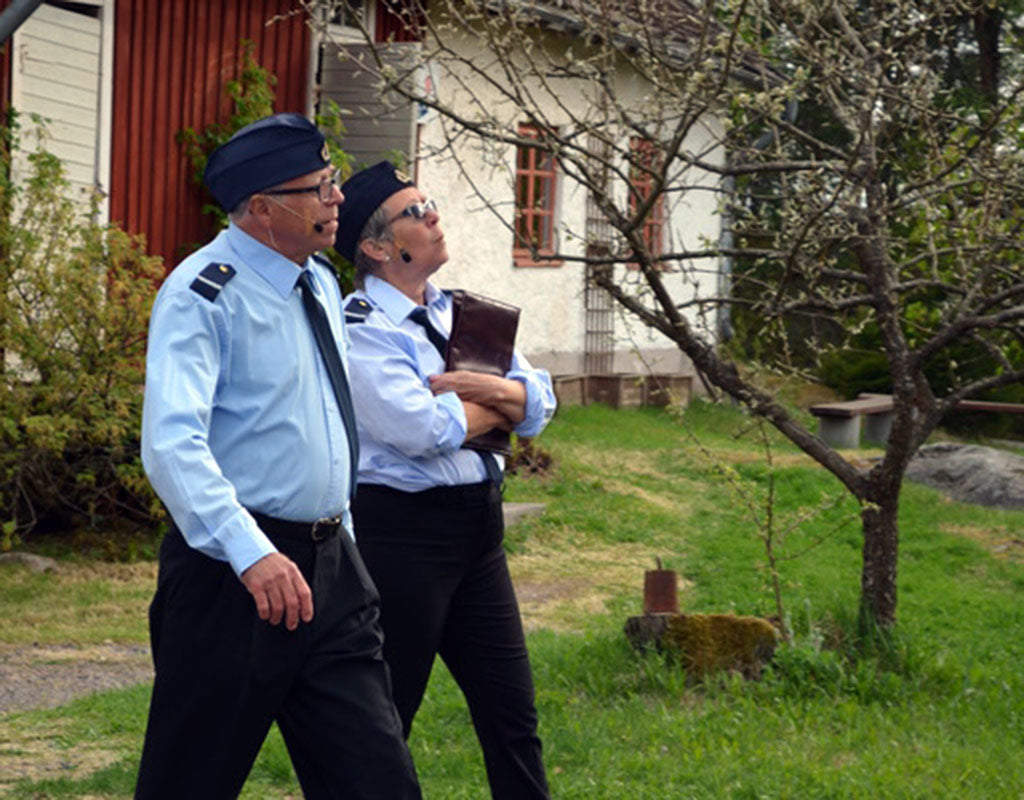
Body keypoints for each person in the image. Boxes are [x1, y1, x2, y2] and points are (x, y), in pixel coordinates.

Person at [136, 115, 420, 799]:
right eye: (319, 187)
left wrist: (342, 542)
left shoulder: (318, 280)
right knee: (190, 781)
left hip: (330, 573)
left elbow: (319, 420)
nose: (337, 199)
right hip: (232, 583)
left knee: (379, 780)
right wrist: (251, 552)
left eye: (331, 181)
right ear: (262, 209)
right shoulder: (204, 292)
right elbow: (172, 443)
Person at [334, 161, 557, 800]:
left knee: (512, 717)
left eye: (429, 203)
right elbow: (420, 429)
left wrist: (487, 390)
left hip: (478, 535)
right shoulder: (363, 330)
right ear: (379, 248)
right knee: (386, 720)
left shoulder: (467, 314)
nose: (433, 215)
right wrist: (507, 403)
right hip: (405, 540)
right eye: (415, 211)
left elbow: (541, 406)